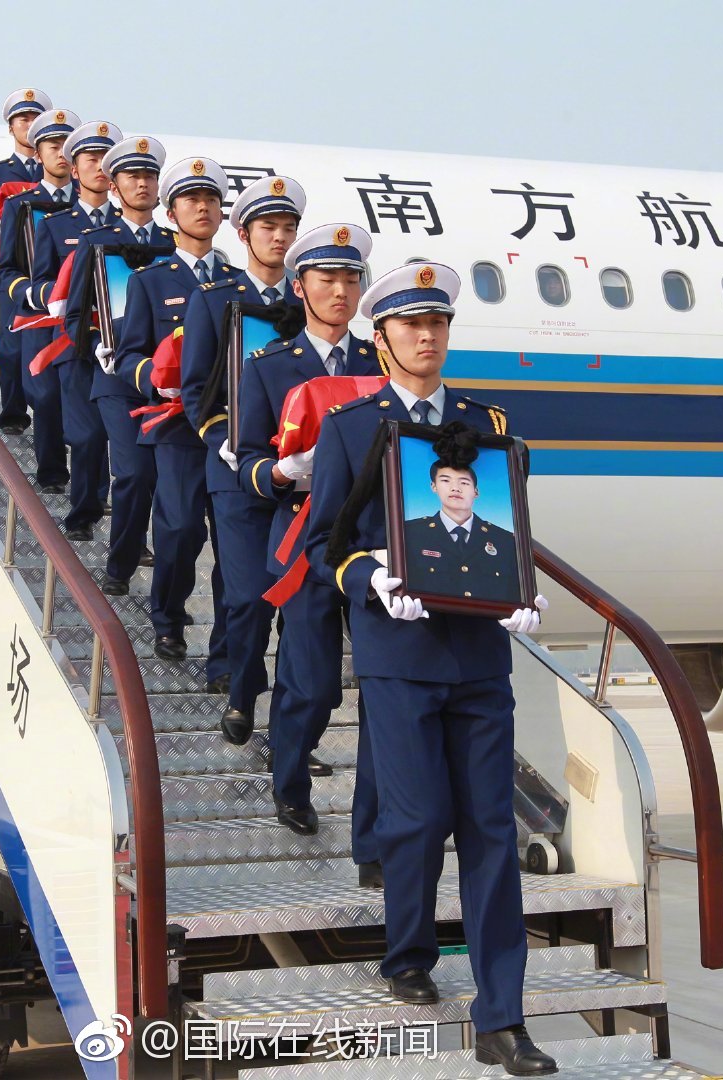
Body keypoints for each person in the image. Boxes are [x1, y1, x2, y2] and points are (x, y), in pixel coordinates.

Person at [303, 262, 556, 1076]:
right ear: (380, 340)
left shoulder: (490, 426)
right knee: (413, 822)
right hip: (398, 656)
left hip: (479, 656)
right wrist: (367, 576)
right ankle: (408, 950)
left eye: (438, 324)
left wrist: (523, 591)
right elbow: (321, 547)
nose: (427, 337)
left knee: (490, 832)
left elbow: (506, 528)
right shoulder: (349, 427)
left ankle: (502, 1018)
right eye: (411, 325)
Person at [235, 223, 383, 865]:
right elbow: (243, 457)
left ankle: (376, 827)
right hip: (303, 536)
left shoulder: (381, 364)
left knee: (378, 682)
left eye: (351, 280)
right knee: (312, 681)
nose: (340, 291)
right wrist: (281, 472)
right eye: (326, 279)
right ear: (300, 287)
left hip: (372, 538)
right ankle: (290, 781)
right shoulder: (268, 367)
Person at [180, 178, 305, 733]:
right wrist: (226, 441)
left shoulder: (307, 305)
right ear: (243, 233)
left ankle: (284, 717)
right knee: (247, 591)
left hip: (299, 473)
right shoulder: (214, 300)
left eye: (288, 229)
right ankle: (240, 687)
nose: (279, 238)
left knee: (296, 605)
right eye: (268, 228)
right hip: (235, 471)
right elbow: (196, 388)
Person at [114, 158, 236, 690]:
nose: (203, 208)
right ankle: (167, 617)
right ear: (171, 213)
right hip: (179, 430)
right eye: (191, 200)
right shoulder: (150, 281)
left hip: (234, 432)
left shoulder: (238, 284)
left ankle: (226, 655)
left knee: (232, 546)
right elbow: (126, 355)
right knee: (180, 529)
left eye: (211, 200)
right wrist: (154, 381)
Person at [69, 136, 174, 593]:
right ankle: (120, 565)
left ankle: (141, 564)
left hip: (168, 381)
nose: (143, 183)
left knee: (160, 480)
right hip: (115, 379)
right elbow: (74, 314)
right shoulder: (96, 243)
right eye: (133, 176)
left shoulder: (174, 247)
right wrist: (95, 344)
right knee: (132, 472)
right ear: (114, 185)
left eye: (149, 176)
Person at [24, 119, 124, 541]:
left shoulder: (130, 230)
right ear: (74, 167)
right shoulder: (55, 225)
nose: (99, 166)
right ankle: (84, 513)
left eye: (106, 160)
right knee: (86, 435)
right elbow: (37, 282)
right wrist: (61, 294)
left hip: (124, 349)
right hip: (75, 345)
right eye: (90, 158)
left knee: (121, 446)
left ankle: (119, 523)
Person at [0, 108, 79, 494]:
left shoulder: (92, 210)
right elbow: (8, 269)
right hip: (39, 317)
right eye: (52, 145)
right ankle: (51, 472)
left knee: (82, 405)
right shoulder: (20, 206)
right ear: (39, 152)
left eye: (67, 146)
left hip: (84, 321)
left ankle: (87, 485)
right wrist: (35, 294)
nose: (60, 152)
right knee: (43, 395)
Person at [0, 87, 51, 434]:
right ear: (11, 127)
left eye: (36, 119)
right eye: (23, 119)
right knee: (10, 345)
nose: (29, 124)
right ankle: (14, 412)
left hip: (51, 269)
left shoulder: (59, 173)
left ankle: (49, 414)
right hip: (11, 268)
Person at [402, 460, 521, 604]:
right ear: (434, 486)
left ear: (476, 491)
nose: (455, 488)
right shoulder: (410, 533)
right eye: (446, 480)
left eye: (464, 483)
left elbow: (514, 594)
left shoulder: (504, 540)